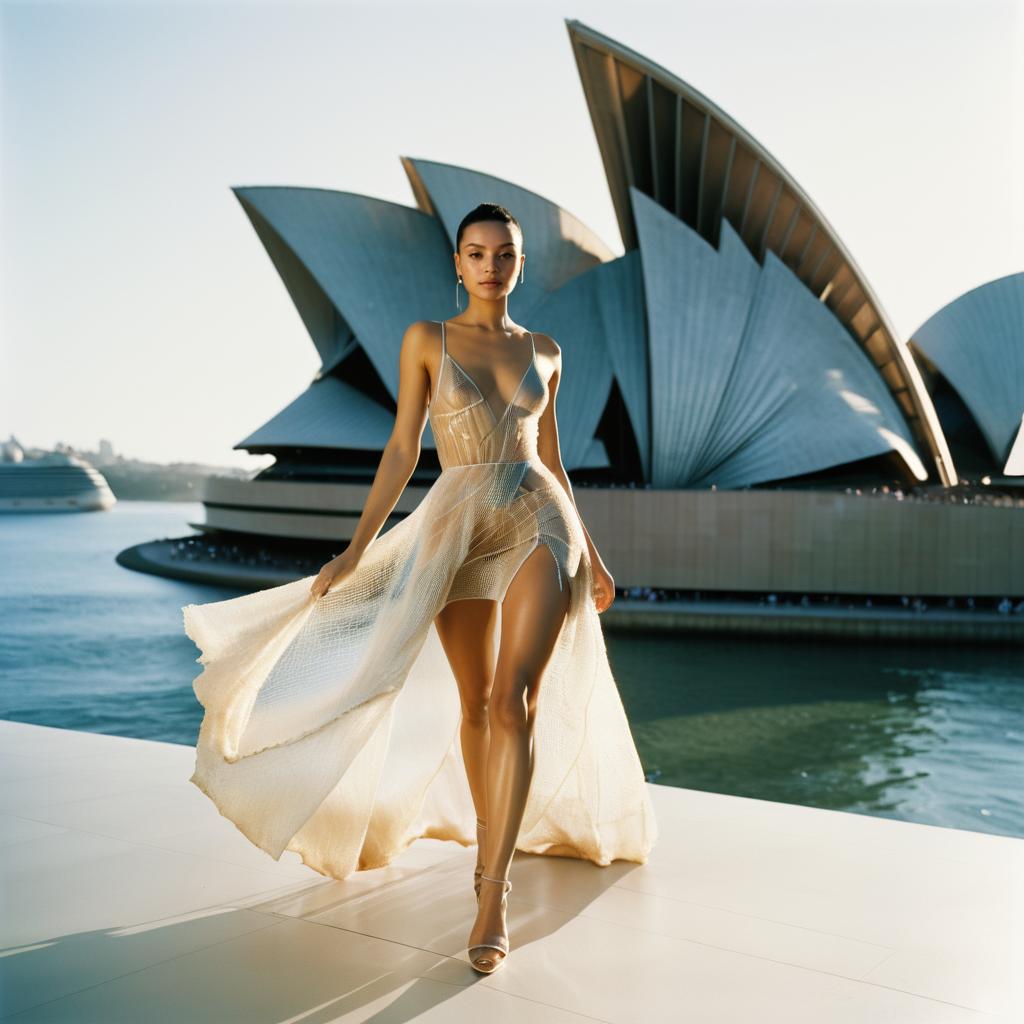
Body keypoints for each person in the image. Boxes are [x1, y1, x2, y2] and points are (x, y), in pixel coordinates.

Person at [182, 202, 657, 977]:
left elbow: (559, 465)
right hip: (458, 526)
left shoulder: (546, 351)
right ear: (459, 264)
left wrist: (593, 557)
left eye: (504, 254)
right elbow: (403, 447)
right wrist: (354, 551)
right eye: (476, 253)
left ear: (520, 265)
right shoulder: (425, 341)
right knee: (474, 703)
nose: (490, 265)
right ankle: (486, 844)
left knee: (514, 701)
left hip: (542, 519)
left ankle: (493, 891)